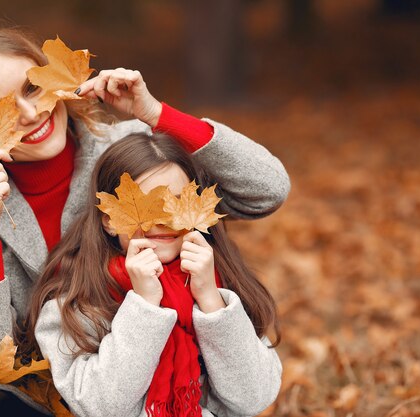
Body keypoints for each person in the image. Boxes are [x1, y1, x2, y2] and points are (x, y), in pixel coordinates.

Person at [0, 20, 290, 416]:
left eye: (33, 88)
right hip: (49, 402)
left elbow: (267, 190)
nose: (31, 113)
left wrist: (156, 114)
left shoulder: (139, 158)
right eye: (1, 109)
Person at [27, 132, 282, 417]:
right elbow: (101, 407)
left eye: (175, 202)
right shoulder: (75, 306)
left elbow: (255, 397)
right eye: (146, 205)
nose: (162, 220)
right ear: (110, 220)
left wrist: (211, 302)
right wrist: (144, 306)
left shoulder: (223, 284)